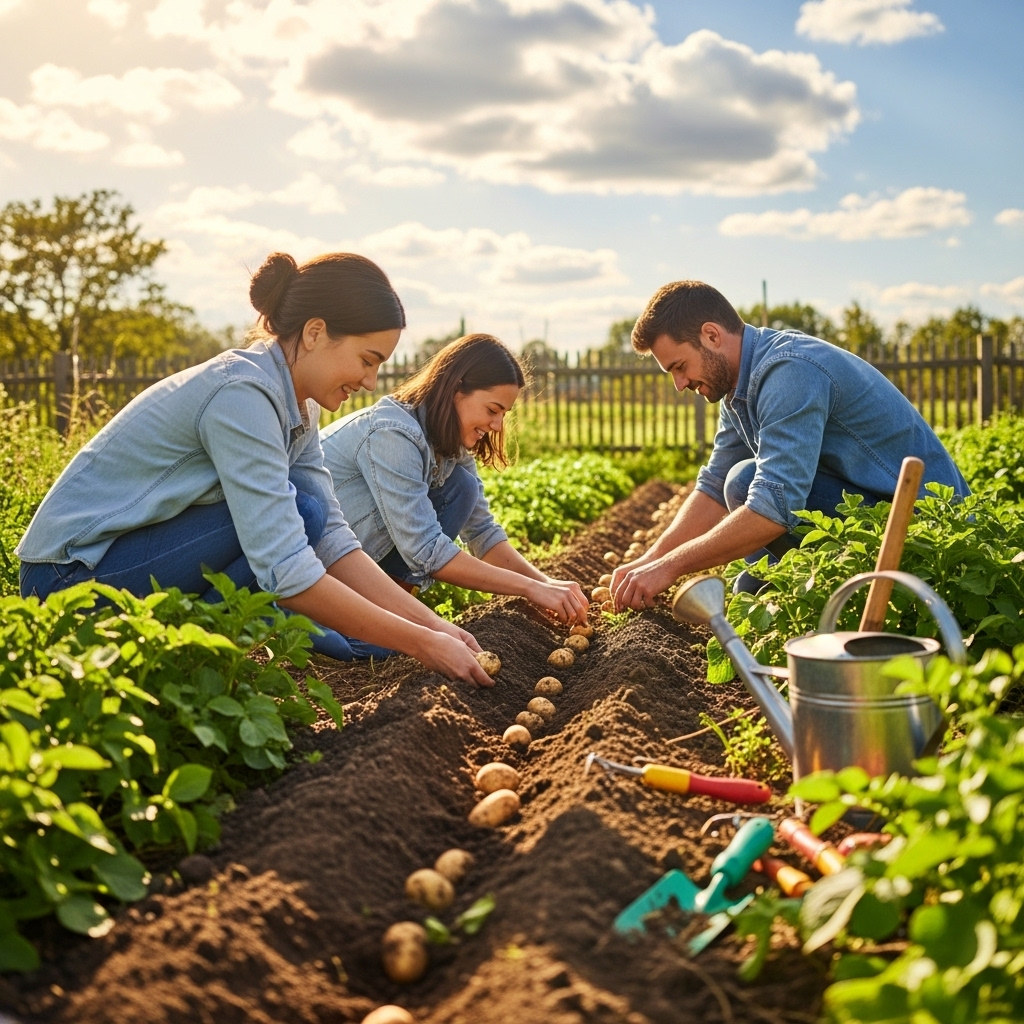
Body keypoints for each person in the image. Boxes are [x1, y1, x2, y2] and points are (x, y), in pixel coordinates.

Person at [17, 251, 493, 687]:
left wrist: (435, 626)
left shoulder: (299, 407)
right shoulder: (241, 394)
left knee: (312, 520)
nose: (370, 382)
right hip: (66, 580)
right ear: (314, 332)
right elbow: (286, 562)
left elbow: (333, 540)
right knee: (301, 514)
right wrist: (425, 644)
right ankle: (178, 662)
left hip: (128, 560)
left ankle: (183, 655)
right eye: (367, 361)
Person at [611, 280, 969, 609]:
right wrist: (650, 561)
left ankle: (856, 595)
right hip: (869, 505)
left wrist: (670, 568)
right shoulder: (737, 388)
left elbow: (773, 506)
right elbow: (714, 487)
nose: (679, 383)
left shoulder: (789, 372)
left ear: (711, 335)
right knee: (750, 590)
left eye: (679, 366)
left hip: (924, 527)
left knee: (746, 482)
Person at [318, 334, 589, 634]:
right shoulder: (391, 435)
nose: (498, 425)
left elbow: (483, 532)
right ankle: (341, 621)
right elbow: (426, 549)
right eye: (492, 410)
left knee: (462, 487)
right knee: (386, 643)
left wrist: (546, 584)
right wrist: (528, 589)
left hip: (362, 569)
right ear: (457, 389)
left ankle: (390, 610)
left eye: (503, 414)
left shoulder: (449, 440)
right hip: (320, 572)